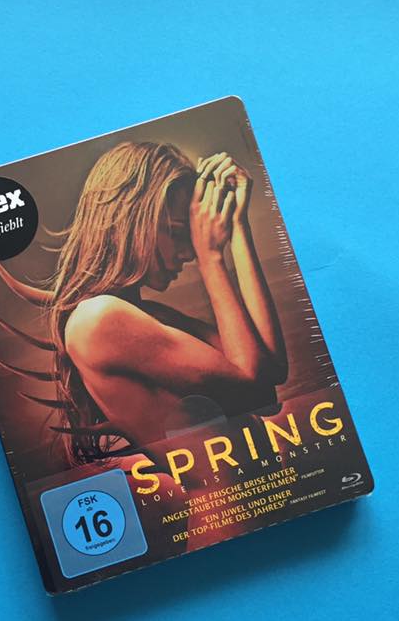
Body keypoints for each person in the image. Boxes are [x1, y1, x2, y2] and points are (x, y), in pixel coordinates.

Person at [48, 140, 288, 466]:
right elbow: (255, 395)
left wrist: (236, 225)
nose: (188, 252)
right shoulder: (100, 319)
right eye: (176, 232)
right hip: (226, 497)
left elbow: (270, 376)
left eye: (192, 236)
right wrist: (210, 257)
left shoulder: (149, 317)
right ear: (130, 220)